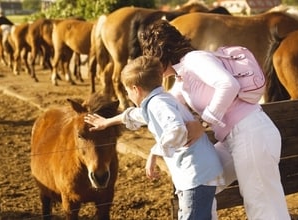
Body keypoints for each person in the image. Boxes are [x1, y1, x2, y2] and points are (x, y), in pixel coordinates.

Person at [139, 19, 291, 220]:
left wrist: (202, 124)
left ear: (162, 52)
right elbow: (164, 105)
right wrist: (154, 150)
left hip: (252, 133)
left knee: (263, 206)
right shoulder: (181, 79)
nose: (153, 66)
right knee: (204, 181)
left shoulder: (195, 60)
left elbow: (228, 85)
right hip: (233, 139)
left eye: (152, 58)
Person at [84, 55, 226, 220]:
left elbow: (177, 130)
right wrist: (107, 122)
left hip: (195, 175)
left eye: (127, 91)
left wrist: (155, 152)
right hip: (199, 173)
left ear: (136, 89)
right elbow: (137, 115)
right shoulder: (158, 100)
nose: (128, 96)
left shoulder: (158, 104)